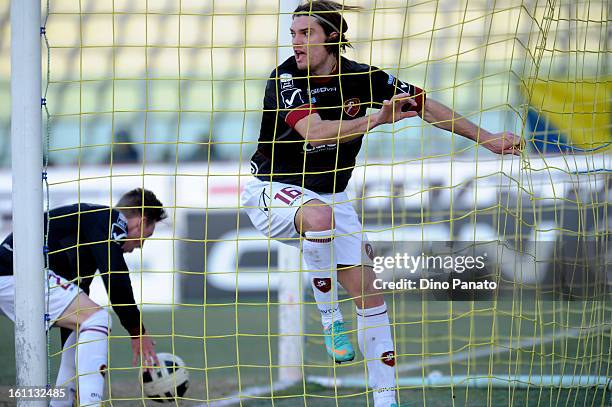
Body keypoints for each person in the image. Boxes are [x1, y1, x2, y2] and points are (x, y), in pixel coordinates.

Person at [241, 1, 522, 406]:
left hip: (332, 197)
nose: (296, 43)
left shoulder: (363, 77)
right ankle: (329, 319)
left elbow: (424, 104)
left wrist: (487, 138)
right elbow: (315, 133)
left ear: (333, 37)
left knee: (371, 295)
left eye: (306, 34)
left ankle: (386, 401)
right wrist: (376, 119)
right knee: (319, 217)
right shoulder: (285, 77)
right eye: (293, 33)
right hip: (271, 191)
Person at [0, 188, 166, 407]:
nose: (140, 246)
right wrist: (137, 331)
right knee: (98, 319)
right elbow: (115, 276)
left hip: (13, 275)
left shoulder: (87, 237)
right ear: (140, 221)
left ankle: (64, 402)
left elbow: (75, 318)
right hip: (16, 274)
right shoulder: (112, 220)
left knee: (82, 325)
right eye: (147, 236)